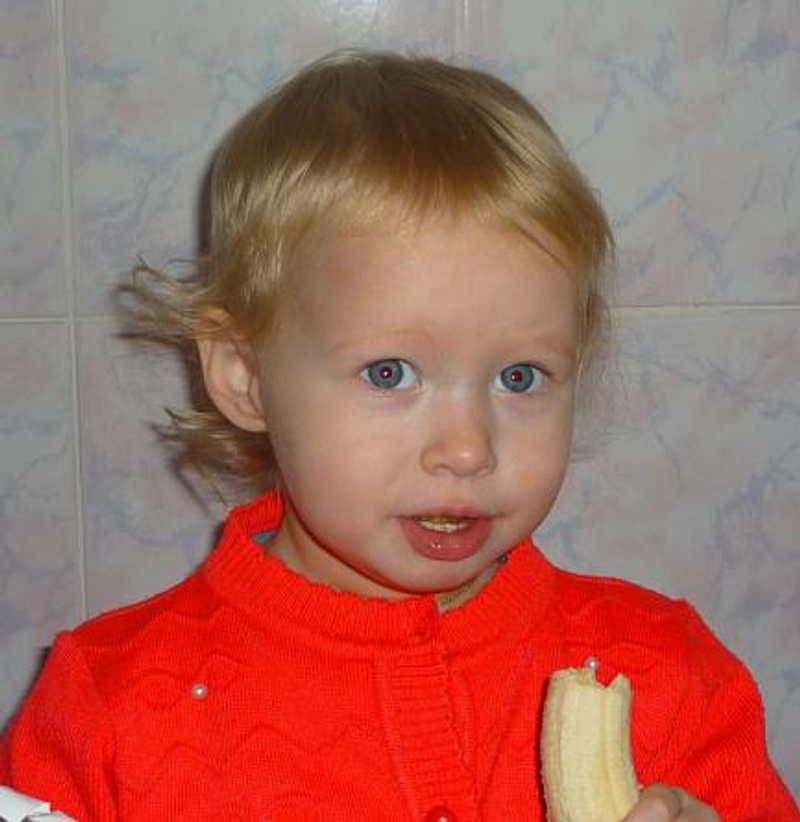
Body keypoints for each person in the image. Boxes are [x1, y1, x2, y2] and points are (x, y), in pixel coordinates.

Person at [0, 49, 797, 822]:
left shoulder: (669, 676)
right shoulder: (108, 708)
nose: (467, 448)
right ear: (245, 377)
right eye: (390, 373)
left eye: (520, 377)